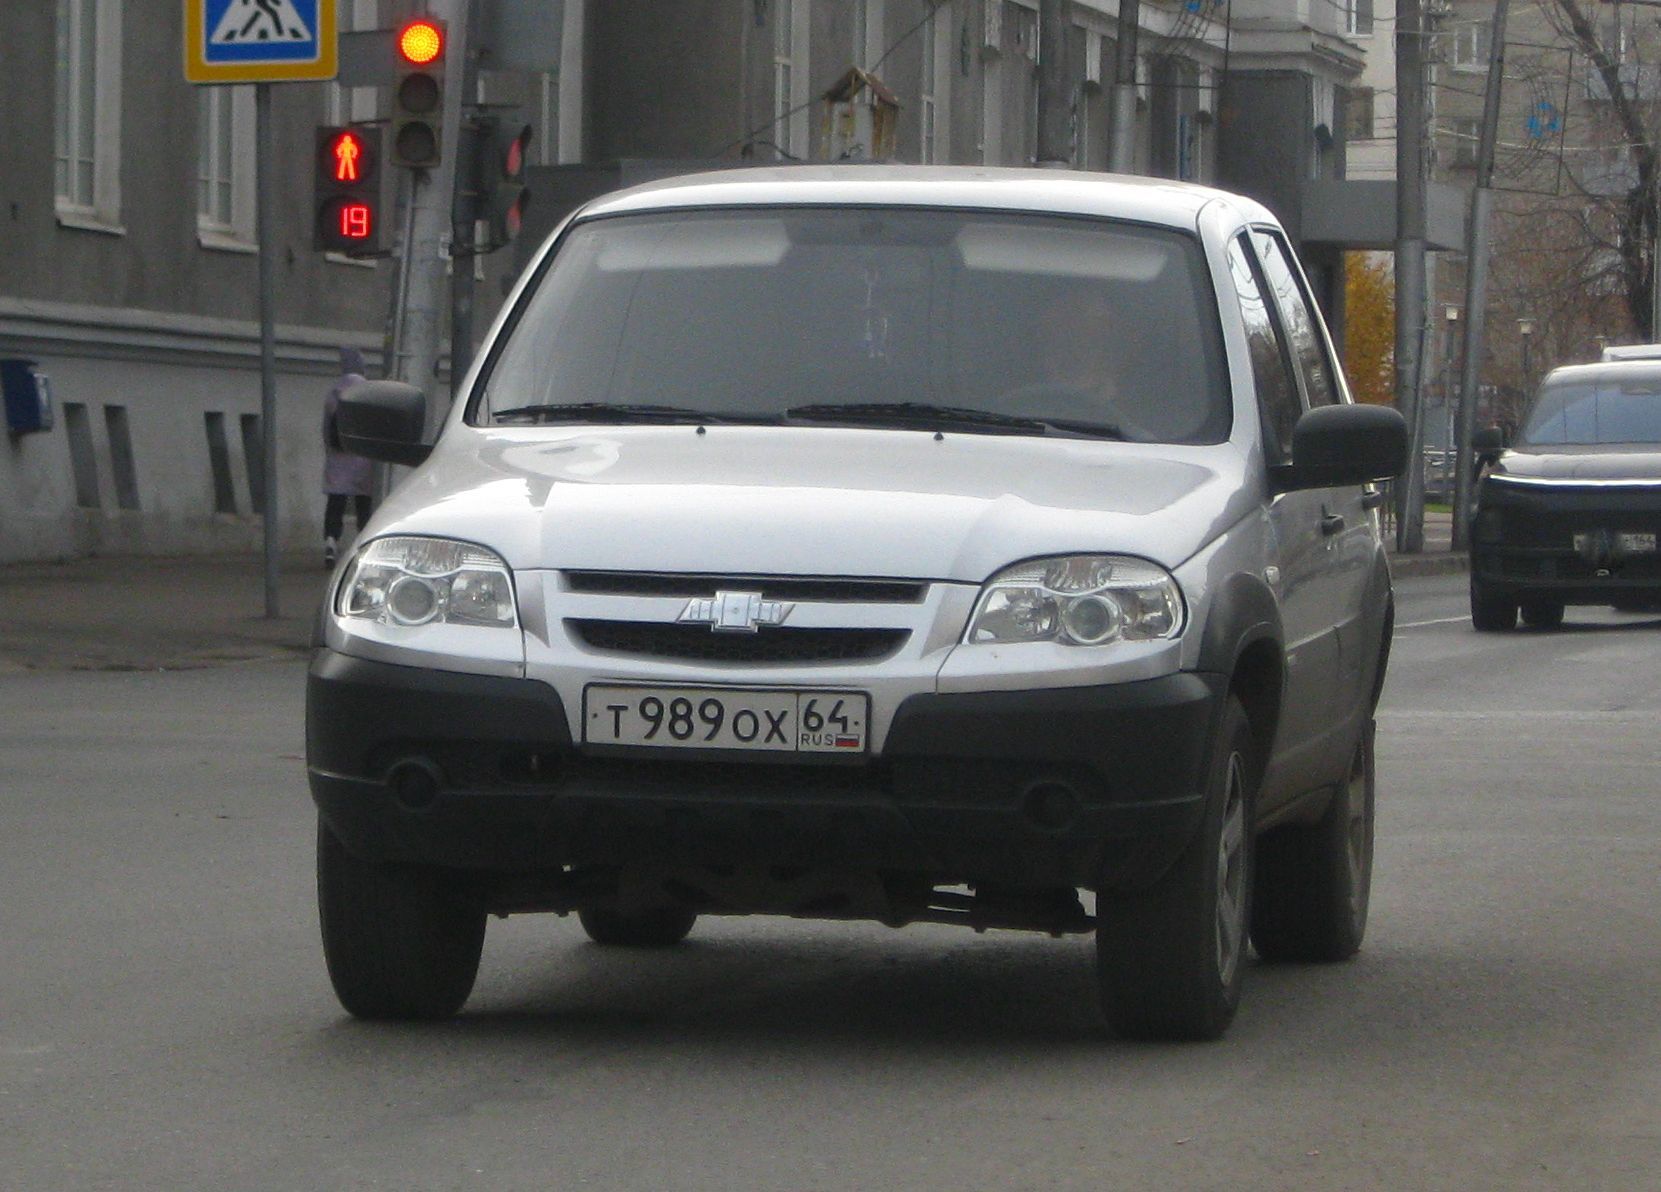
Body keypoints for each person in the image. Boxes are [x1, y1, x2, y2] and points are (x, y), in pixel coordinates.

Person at [322, 346, 374, 569]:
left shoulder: (334, 392)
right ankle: (365, 546)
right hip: (363, 457)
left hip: (338, 457)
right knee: (364, 503)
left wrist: (330, 451)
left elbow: (325, 429)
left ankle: (331, 541)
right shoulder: (369, 391)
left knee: (336, 502)